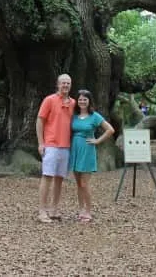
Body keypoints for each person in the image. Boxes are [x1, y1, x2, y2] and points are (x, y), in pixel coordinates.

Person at [69, 89, 115, 222]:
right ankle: (81, 209)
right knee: (78, 183)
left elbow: (110, 130)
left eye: (85, 99)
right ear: (77, 101)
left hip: (87, 149)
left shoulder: (95, 116)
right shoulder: (74, 116)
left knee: (84, 183)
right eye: (80, 99)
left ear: (89, 101)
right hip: (75, 149)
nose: (82, 101)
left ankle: (88, 211)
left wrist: (97, 140)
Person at [36, 74, 74, 223]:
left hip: (65, 146)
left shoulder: (73, 103)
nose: (65, 85)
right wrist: (41, 142)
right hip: (51, 144)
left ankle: (54, 209)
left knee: (59, 179)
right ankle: (41, 211)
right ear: (58, 84)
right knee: (47, 177)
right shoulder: (49, 100)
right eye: (63, 83)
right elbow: (40, 121)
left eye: (68, 83)